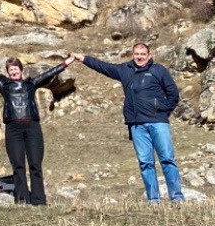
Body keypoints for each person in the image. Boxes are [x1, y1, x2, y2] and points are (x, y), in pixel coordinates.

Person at [66, 43, 185, 204]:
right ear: (133, 55)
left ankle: (177, 198)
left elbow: (173, 93)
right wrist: (83, 59)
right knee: (145, 163)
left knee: (167, 160)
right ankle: (154, 200)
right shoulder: (125, 70)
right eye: (137, 54)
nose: (140, 57)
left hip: (158, 123)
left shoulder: (158, 70)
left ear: (149, 55)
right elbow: (104, 67)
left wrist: (163, 111)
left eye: (143, 54)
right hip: (137, 125)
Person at [0, 54, 75, 206]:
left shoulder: (31, 83)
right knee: (18, 165)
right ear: (8, 72)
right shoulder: (3, 85)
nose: (13, 72)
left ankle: (39, 201)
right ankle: (22, 199)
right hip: (13, 129)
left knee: (35, 164)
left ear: (21, 69)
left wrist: (67, 62)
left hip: (32, 127)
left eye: (15, 69)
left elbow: (50, 73)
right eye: (10, 70)